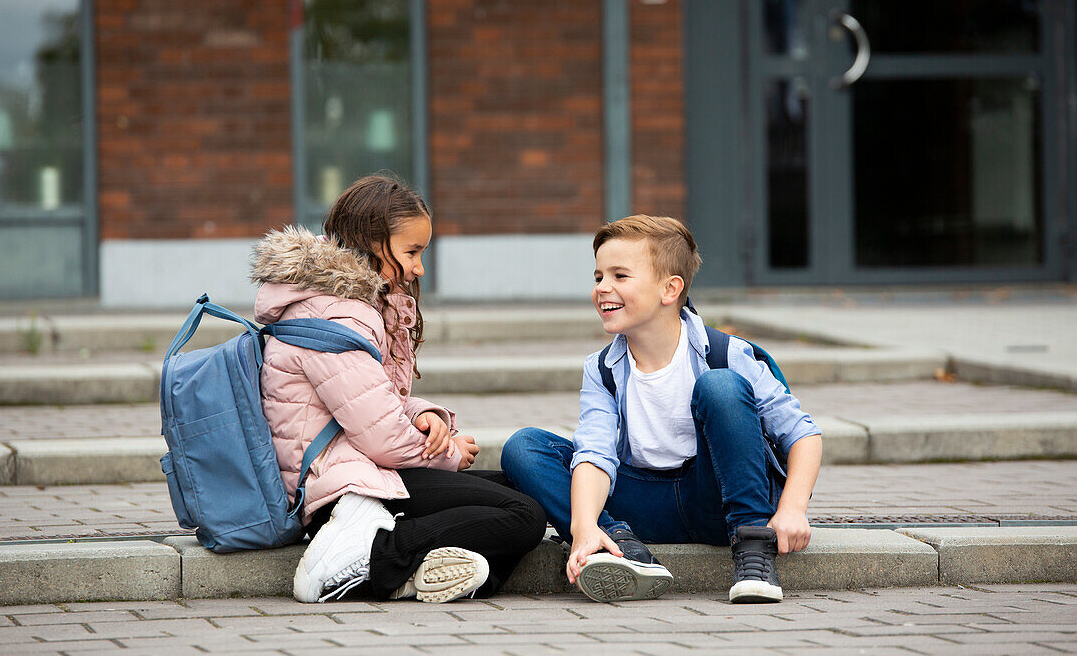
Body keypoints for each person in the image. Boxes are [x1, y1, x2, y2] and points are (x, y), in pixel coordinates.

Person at [250, 173, 546, 603]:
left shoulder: (348, 303)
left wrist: (424, 415)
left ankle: (419, 573)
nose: (419, 267)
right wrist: (447, 453)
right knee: (524, 514)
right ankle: (374, 554)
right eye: (411, 251)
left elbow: (370, 400)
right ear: (372, 242)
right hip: (340, 490)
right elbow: (381, 438)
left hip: (358, 468)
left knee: (516, 490)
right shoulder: (339, 313)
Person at [501, 215, 823, 604]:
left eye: (620, 276)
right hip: (642, 505)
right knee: (525, 447)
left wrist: (792, 509)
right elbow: (595, 452)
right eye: (598, 276)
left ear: (670, 289)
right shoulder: (602, 368)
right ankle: (618, 547)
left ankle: (753, 549)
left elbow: (802, 434)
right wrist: (583, 524)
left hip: (717, 500)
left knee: (719, 387)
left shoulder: (726, 353)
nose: (603, 288)